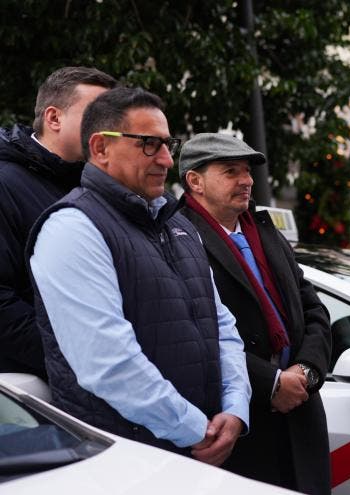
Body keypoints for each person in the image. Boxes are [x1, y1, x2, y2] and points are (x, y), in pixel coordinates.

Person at [27, 87, 250, 465]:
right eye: (149, 144)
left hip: (198, 448)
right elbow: (107, 364)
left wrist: (235, 410)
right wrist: (197, 429)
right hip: (125, 462)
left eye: (167, 143)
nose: (166, 159)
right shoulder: (71, 228)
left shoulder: (178, 224)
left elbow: (222, 326)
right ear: (100, 148)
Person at [178, 133, 332, 494]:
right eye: (230, 171)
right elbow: (194, 333)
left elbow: (313, 309)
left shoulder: (265, 232)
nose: (246, 180)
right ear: (195, 181)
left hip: (301, 413)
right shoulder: (178, 237)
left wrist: (306, 371)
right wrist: (271, 383)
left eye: (246, 171)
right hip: (240, 420)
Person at [0, 66, 116, 378]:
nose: (109, 129)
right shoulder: (5, 184)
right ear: (54, 119)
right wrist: (77, 363)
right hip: (41, 393)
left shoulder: (98, 186)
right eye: (96, 117)